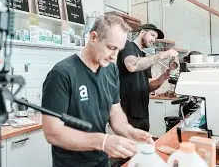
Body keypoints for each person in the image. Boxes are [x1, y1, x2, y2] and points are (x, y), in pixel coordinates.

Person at [41, 15, 154, 167]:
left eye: (118, 50)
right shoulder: (62, 73)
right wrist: (103, 141)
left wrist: (129, 131)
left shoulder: (111, 70)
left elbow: (115, 113)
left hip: (101, 161)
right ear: (93, 38)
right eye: (111, 48)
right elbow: (52, 132)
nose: (114, 56)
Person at [116, 24, 179, 133]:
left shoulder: (145, 57)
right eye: (152, 35)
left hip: (142, 113)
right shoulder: (127, 45)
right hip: (127, 113)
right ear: (142, 32)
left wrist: (163, 77)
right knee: (129, 148)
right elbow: (132, 66)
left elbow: (147, 87)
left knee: (142, 148)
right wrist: (163, 54)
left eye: (155, 38)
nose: (154, 40)